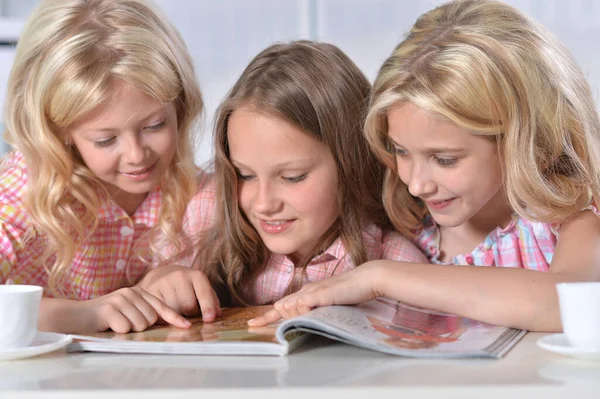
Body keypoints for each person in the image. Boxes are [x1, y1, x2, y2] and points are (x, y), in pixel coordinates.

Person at [248, 0, 600, 332]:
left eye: (444, 159)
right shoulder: (412, 221)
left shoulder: (569, 217)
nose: (416, 185)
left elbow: (572, 303)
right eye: (400, 151)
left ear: (527, 139)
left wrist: (380, 277)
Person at [0, 0, 215, 334]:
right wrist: (89, 315)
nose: (136, 155)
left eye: (154, 125)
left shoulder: (194, 192)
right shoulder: (28, 186)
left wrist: (165, 281)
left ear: (180, 106)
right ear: (61, 133)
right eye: (105, 140)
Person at [188, 40, 427, 307]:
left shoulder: (397, 266)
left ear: (351, 164)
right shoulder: (205, 228)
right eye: (245, 175)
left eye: (293, 177)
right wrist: (163, 281)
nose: (264, 204)